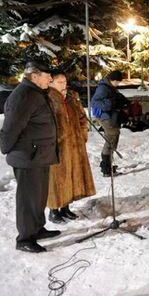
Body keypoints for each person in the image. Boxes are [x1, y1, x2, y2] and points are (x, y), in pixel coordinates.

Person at [0, 61, 60, 253]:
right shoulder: (24, 95)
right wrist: (6, 148)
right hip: (28, 157)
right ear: (34, 76)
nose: (50, 78)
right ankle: (24, 238)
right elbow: (11, 128)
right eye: (47, 75)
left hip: (39, 155)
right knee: (28, 199)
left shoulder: (37, 93)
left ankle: (37, 229)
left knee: (39, 196)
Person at [47, 72, 96, 223]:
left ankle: (66, 208)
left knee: (71, 176)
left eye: (65, 81)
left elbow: (82, 117)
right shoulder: (47, 98)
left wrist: (82, 135)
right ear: (51, 83)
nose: (63, 85)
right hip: (57, 147)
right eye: (59, 82)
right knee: (56, 179)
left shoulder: (71, 97)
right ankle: (54, 210)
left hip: (74, 145)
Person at [91, 70, 130, 176]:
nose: (118, 84)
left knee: (113, 139)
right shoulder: (103, 88)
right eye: (117, 82)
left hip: (110, 116)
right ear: (112, 80)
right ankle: (106, 168)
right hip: (105, 117)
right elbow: (95, 103)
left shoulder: (110, 87)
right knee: (111, 139)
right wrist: (111, 102)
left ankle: (107, 165)